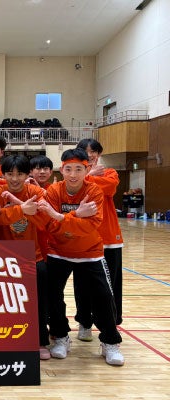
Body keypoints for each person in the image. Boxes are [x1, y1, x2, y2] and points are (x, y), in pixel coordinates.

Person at [37, 148, 124, 366]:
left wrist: (60, 217)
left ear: (87, 170)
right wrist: (75, 215)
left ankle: (110, 342)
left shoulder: (94, 191)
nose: (73, 174)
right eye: (69, 169)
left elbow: (91, 225)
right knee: (53, 296)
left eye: (78, 169)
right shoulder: (54, 191)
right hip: (58, 251)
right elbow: (50, 225)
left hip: (90, 252)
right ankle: (61, 337)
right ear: (62, 169)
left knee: (104, 297)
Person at [0, 155, 51, 360]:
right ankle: (4, 339)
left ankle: (40, 341)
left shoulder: (35, 192)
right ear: (3, 174)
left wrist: (14, 208)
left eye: (20, 174)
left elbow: (44, 220)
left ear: (27, 175)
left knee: (38, 301)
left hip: (33, 256)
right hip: (3, 258)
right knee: (2, 301)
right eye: (10, 174)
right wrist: (22, 209)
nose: (15, 179)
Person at [73, 138, 124, 342]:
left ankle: (110, 325)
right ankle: (84, 322)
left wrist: (87, 177)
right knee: (82, 284)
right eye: (85, 152)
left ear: (99, 154)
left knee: (110, 286)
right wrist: (87, 175)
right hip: (84, 239)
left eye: (93, 152)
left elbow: (109, 188)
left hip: (109, 239)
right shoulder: (74, 176)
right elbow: (76, 188)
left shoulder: (110, 172)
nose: (90, 155)